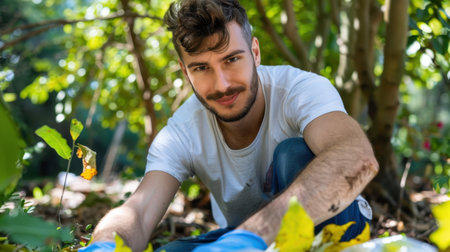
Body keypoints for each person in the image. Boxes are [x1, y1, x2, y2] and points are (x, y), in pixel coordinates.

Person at [80, 0, 379, 251]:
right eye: (201, 68)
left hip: (333, 229)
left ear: (256, 53)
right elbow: (140, 211)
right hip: (242, 239)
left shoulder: (300, 90)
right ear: (186, 72)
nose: (222, 84)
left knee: (294, 154)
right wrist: (106, 244)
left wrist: (249, 239)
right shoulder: (183, 130)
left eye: (232, 59)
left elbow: (356, 158)